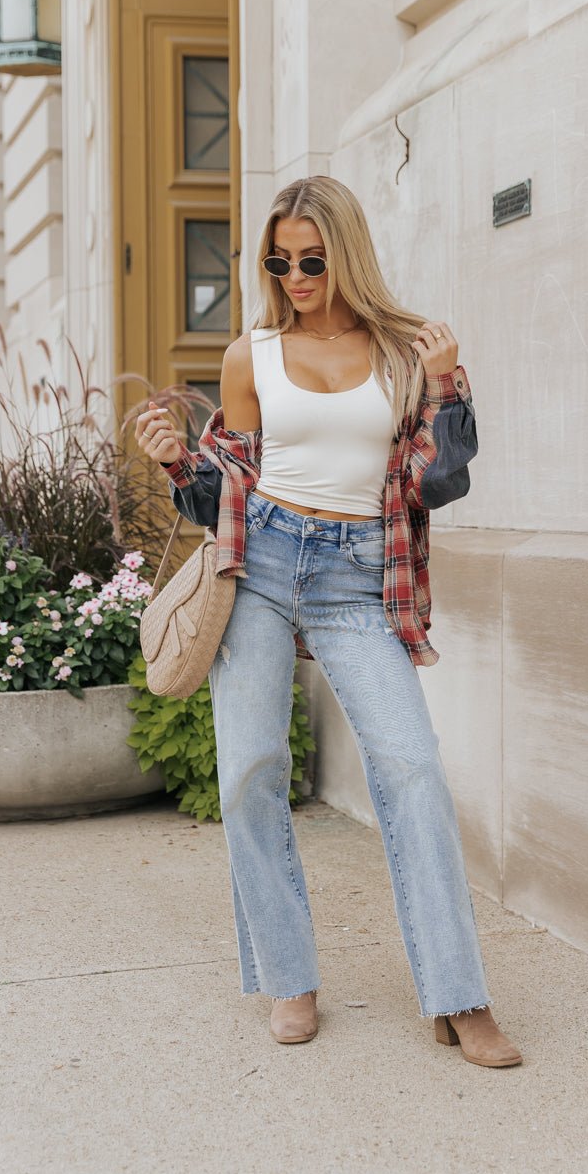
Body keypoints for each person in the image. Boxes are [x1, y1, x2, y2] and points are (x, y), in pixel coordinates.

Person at [135, 175, 522, 1068]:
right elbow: (222, 492)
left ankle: (459, 996)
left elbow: (438, 480)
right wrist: (175, 465)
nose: (296, 274)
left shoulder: (402, 350)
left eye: (311, 258)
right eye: (280, 260)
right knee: (251, 770)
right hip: (261, 564)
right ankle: (289, 976)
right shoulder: (250, 355)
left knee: (412, 767)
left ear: (343, 252)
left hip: (356, 578)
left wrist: (447, 388)